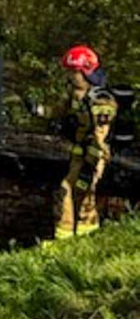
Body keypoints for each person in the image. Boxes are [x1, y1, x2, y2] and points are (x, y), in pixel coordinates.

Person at [51, 45, 117, 241]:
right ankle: (65, 237)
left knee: (85, 194)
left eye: (75, 72)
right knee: (67, 189)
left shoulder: (101, 101)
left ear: (86, 72)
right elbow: (57, 112)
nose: (72, 77)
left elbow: (102, 136)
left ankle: (85, 236)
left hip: (93, 156)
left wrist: (94, 162)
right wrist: (38, 110)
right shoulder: (76, 96)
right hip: (79, 154)